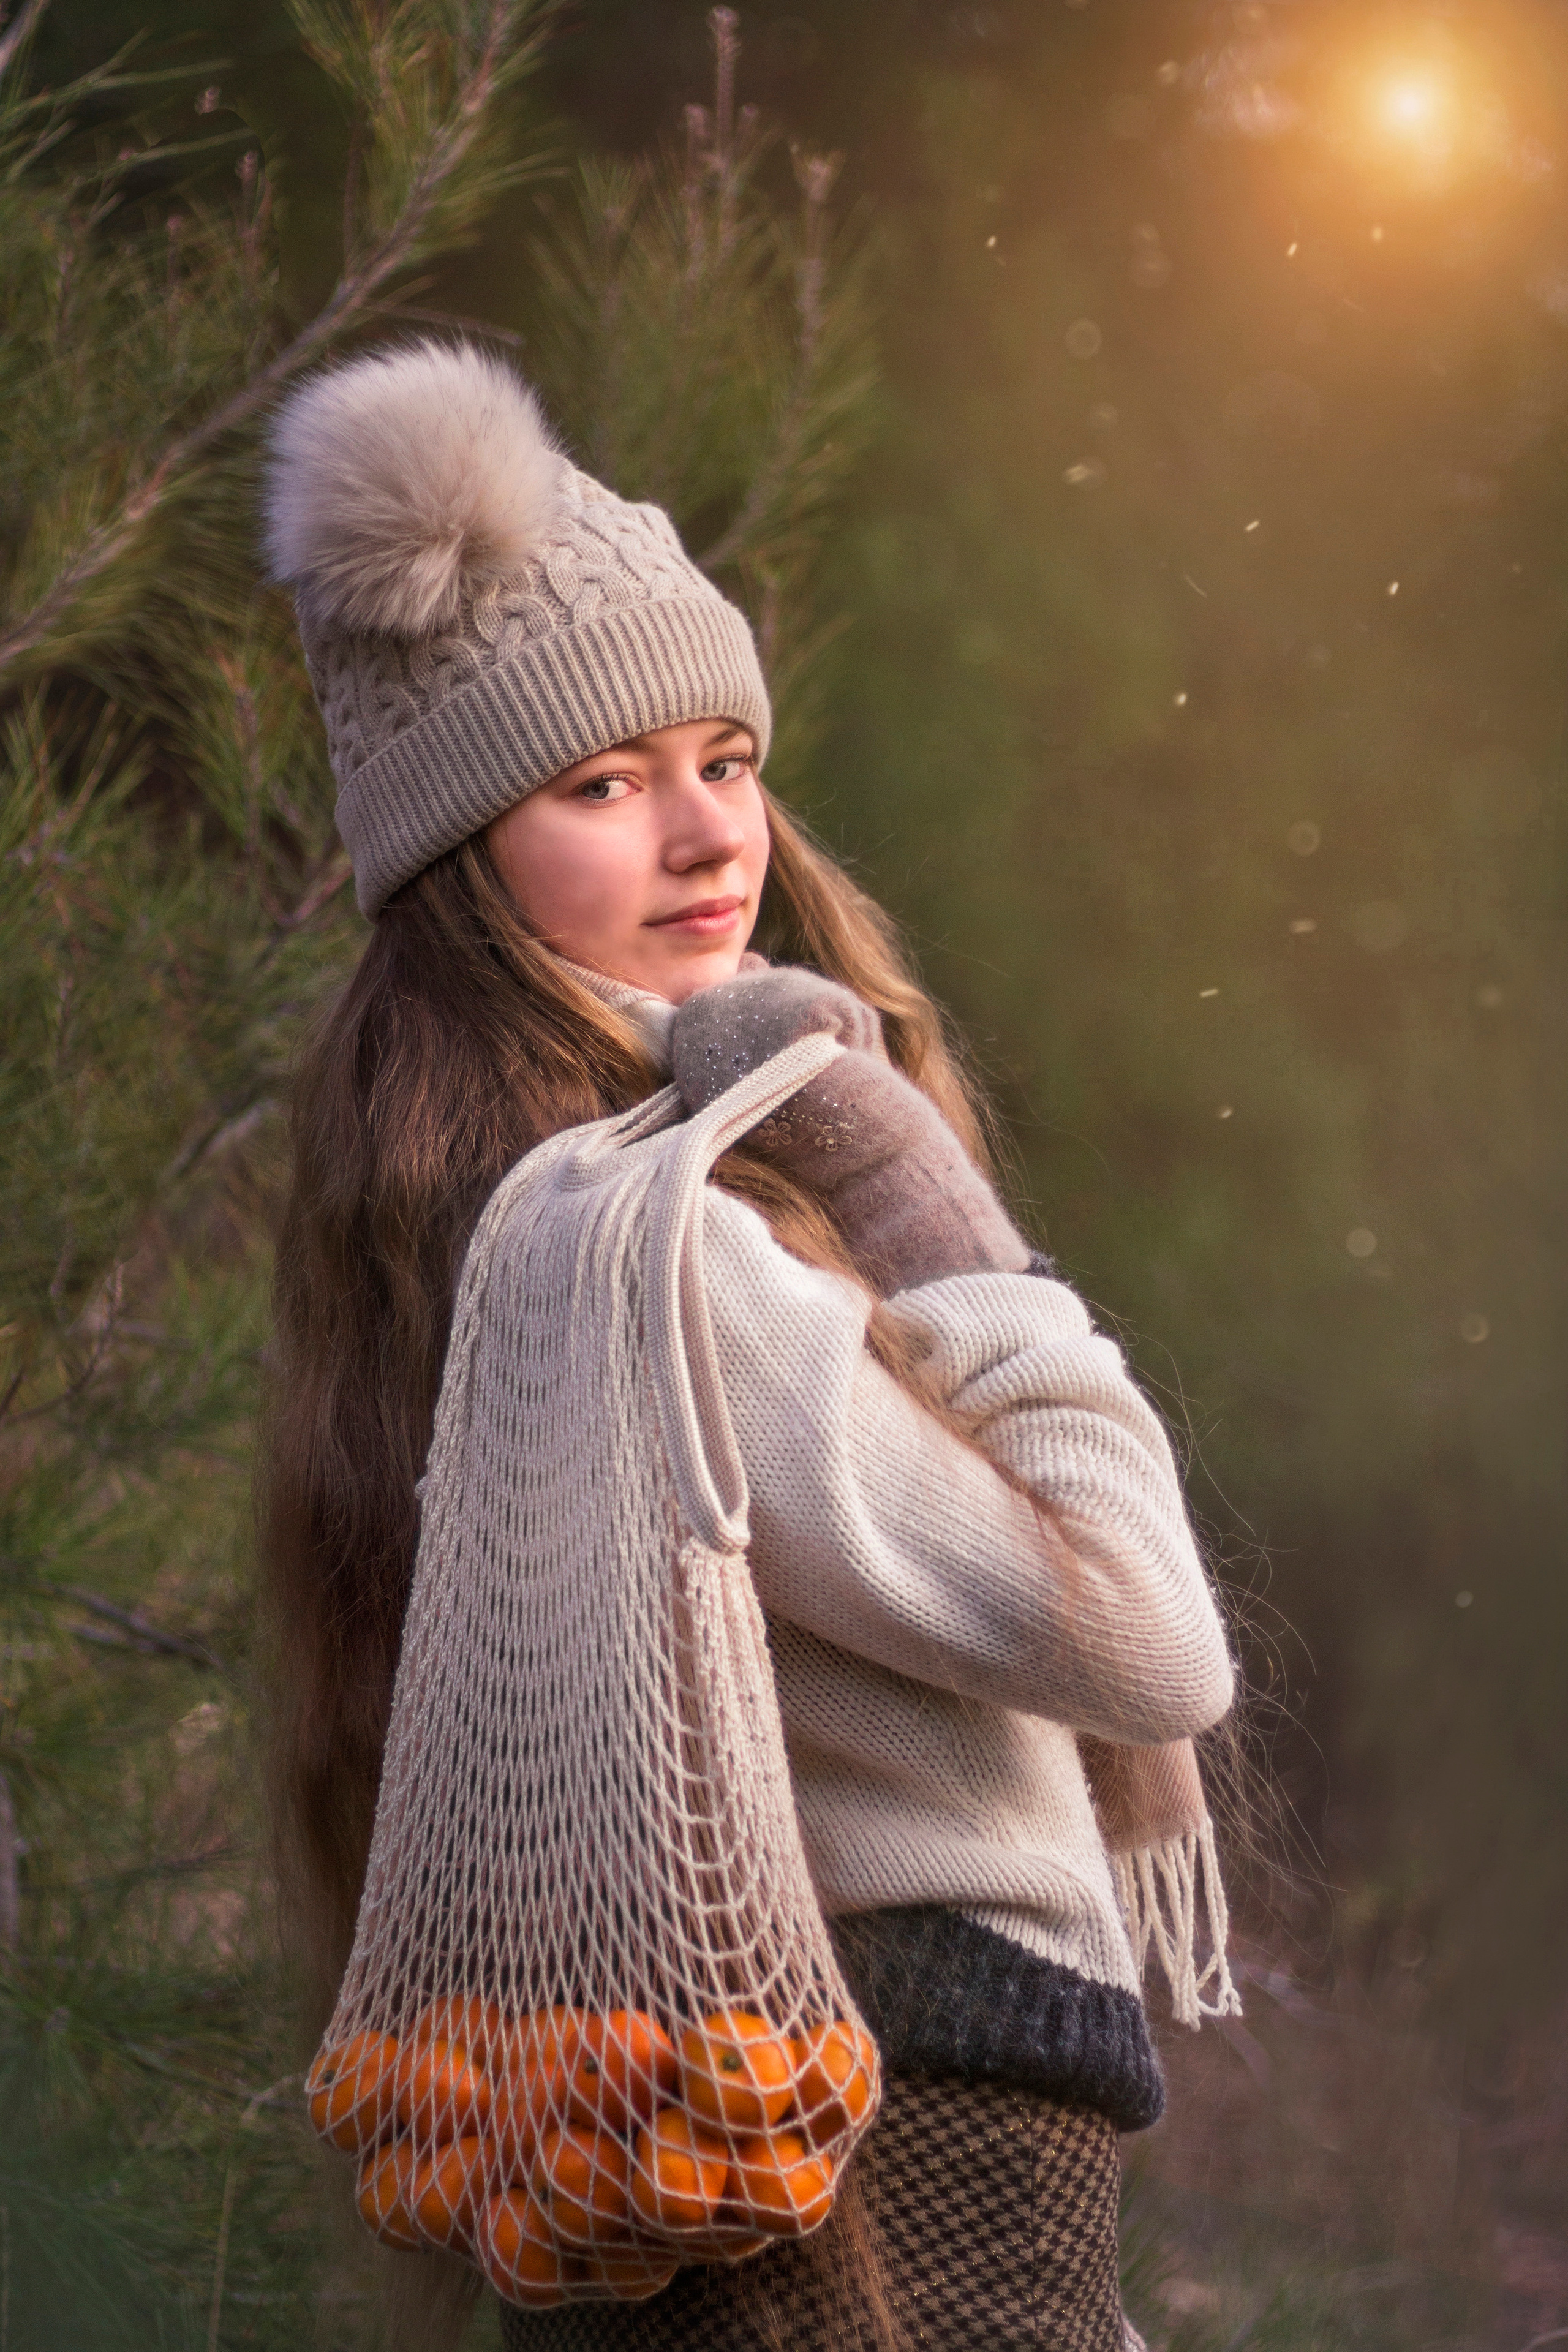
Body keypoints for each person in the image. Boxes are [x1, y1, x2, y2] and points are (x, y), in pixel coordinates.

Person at [261, 340, 1238, 2352]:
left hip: (727, 2125)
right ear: (465, 866)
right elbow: (1147, 1637)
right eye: (603, 786)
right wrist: (914, 1192)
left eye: (725, 756)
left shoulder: (477, 1239)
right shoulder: (659, 1260)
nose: (710, 837)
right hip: (904, 2123)